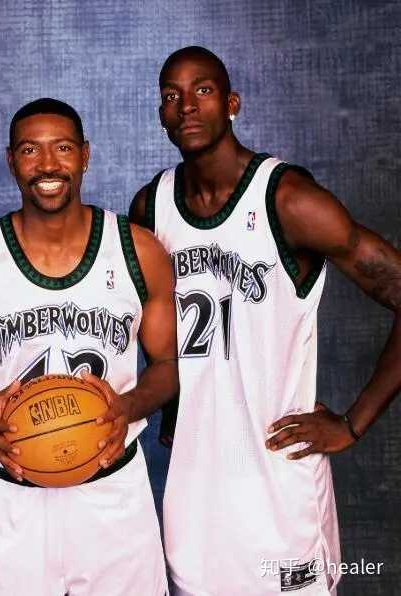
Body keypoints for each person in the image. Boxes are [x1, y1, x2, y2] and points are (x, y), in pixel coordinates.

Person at [130, 46, 401, 596]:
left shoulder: (288, 200)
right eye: (171, 95)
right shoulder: (150, 208)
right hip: (194, 493)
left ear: (232, 103)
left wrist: (353, 424)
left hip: (279, 488)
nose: (187, 105)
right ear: (160, 114)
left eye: (203, 90)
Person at [0, 98, 178, 595]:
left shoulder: (137, 251)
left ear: (84, 155)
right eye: (29, 150)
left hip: (112, 496)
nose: (47, 165)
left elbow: (168, 364)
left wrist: (127, 407)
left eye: (62, 148)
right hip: (11, 499)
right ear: (10, 160)